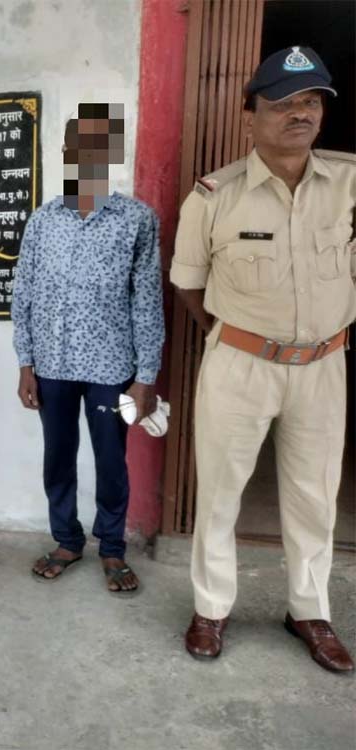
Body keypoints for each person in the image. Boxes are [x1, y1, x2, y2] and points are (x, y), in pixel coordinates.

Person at [172, 47, 355, 673]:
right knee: (220, 492)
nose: (301, 113)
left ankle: (309, 610)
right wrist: (234, 336)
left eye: (312, 101)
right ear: (250, 115)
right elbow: (189, 283)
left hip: (324, 366)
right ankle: (211, 607)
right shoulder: (214, 195)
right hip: (240, 365)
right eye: (284, 103)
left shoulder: (349, 183)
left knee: (315, 495)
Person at [12, 104, 164, 596]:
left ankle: (113, 547)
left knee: (111, 460)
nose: (90, 155)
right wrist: (26, 363)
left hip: (111, 369)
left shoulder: (136, 220)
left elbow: (147, 301)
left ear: (113, 152)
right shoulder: (42, 221)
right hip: (52, 366)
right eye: (82, 145)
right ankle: (67, 540)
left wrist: (145, 376)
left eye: (102, 145)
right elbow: (24, 293)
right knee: (58, 456)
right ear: (67, 151)